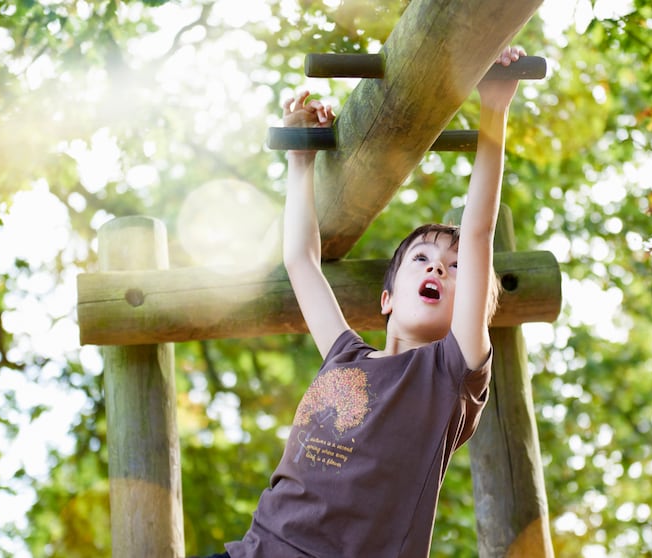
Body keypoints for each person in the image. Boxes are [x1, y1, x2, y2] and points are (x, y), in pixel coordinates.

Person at [212, 45, 525, 558]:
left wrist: (495, 108)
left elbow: (479, 230)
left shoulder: (450, 374)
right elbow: (300, 261)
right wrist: (301, 159)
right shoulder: (343, 355)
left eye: (454, 268)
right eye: (421, 259)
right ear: (386, 298)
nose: (438, 268)